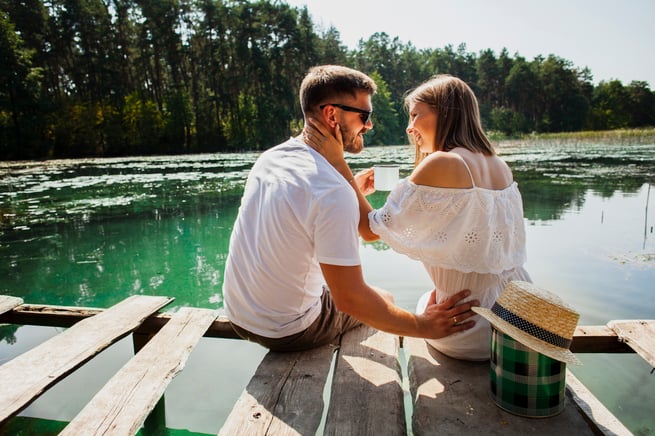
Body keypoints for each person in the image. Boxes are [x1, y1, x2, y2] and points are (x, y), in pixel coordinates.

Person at [222, 65, 478, 352]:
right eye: (363, 116)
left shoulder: (271, 158)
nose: (368, 125)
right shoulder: (331, 190)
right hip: (288, 329)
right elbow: (351, 299)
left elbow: (309, 205)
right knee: (386, 299)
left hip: (238, 314)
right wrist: (423, 325)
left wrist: (348, 188)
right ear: (332, 114)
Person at [304, 74, 531, 360]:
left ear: (445, 113)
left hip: (472, 327)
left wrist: (338, 162)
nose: (410, 129)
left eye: (415, 116)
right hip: (517, 317)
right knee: (428, 298)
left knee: (419, 306)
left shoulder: (443, 162)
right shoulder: (499, 165)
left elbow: (371, 231)